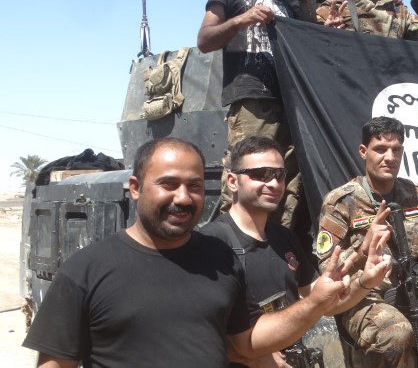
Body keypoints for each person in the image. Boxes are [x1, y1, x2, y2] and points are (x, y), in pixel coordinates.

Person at [21, 137, 354, 368]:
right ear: (136, 189)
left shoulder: (221, 259)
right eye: (168, 184)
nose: (182, 197)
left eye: (194, 186)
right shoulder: (85, 271)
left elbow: (245, 344)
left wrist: (319, 301)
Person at [200, 136, 392, 367]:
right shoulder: (213, 243)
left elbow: (325, 303)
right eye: (260, 174)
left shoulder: (284, 239)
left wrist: (365, 282)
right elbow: (215, 335)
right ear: (232, 181)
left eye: (279, 175)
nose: (272, 183)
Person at [197, 0, 324, 233]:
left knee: (279, 194)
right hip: (252, 100)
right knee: (245, 187)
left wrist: (309, 3)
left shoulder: (286, 2)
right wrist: (244, 19)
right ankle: (229, 262)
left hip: (288, 107)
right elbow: (205, 39)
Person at [316, 116, 418, 367]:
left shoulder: (415, 195)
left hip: (413, 295)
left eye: (396, 150)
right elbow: (328, 270)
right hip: (362, 298)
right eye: (380, 149)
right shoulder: (341, 202)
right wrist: (364, 250)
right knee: (395, 333)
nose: (389, 157)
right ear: (363, 152)